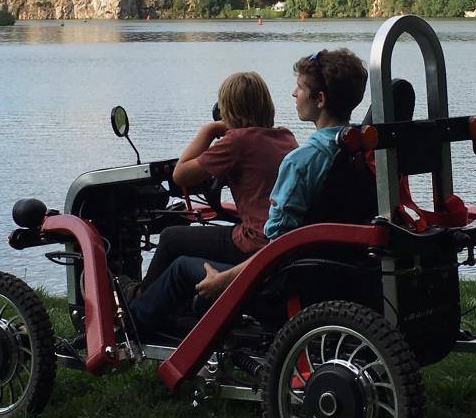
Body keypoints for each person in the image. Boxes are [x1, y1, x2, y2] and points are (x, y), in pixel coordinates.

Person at [127, 49, 367, 336]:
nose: (293, 93)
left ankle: (133, 320)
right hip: (326, 260)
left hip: (275, 265)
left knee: (174, 247)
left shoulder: (299, 160)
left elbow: (275, 242)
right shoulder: (342, 149)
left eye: (300, 87)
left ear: (320, 100)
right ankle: (162, 308)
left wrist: (226, 279)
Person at [126, 72, 296, 327]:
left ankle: (139, 304)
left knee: (173, 237)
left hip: (254, 241)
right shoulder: (285, 136)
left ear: (227, 110)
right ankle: (171, 304)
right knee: (187, 238)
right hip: (277, 238)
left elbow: (181, 174)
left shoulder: (236, 141)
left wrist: (208, 131)